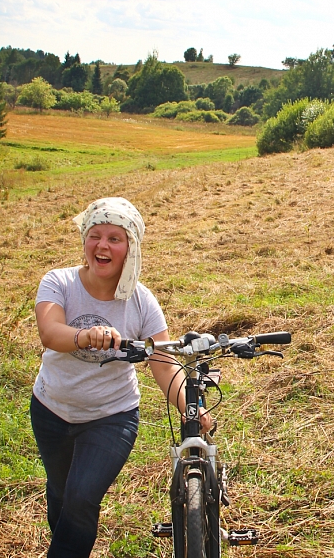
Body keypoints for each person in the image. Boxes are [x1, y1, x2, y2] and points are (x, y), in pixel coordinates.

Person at [31, 197, 210, 558]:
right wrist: (85, 335)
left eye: (115, 238)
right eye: (95, 235)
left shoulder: (142, 303)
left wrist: (192, 410)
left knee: (82, 497)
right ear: (84, 241)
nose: (102, 245)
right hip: (52, 409)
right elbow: (50, 332)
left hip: (112, 417)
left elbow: (163, 362)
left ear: (131, 247)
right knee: (62, 494)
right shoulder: (59, 283)